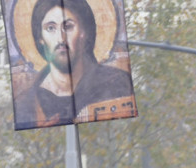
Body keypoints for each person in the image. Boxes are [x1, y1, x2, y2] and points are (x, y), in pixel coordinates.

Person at [14, 0, 135, 129]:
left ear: (84, 32)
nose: (61, 39)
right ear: (40, 38)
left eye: (68, 27)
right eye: (51, 28)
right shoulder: (28, 103)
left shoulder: (116, 83)